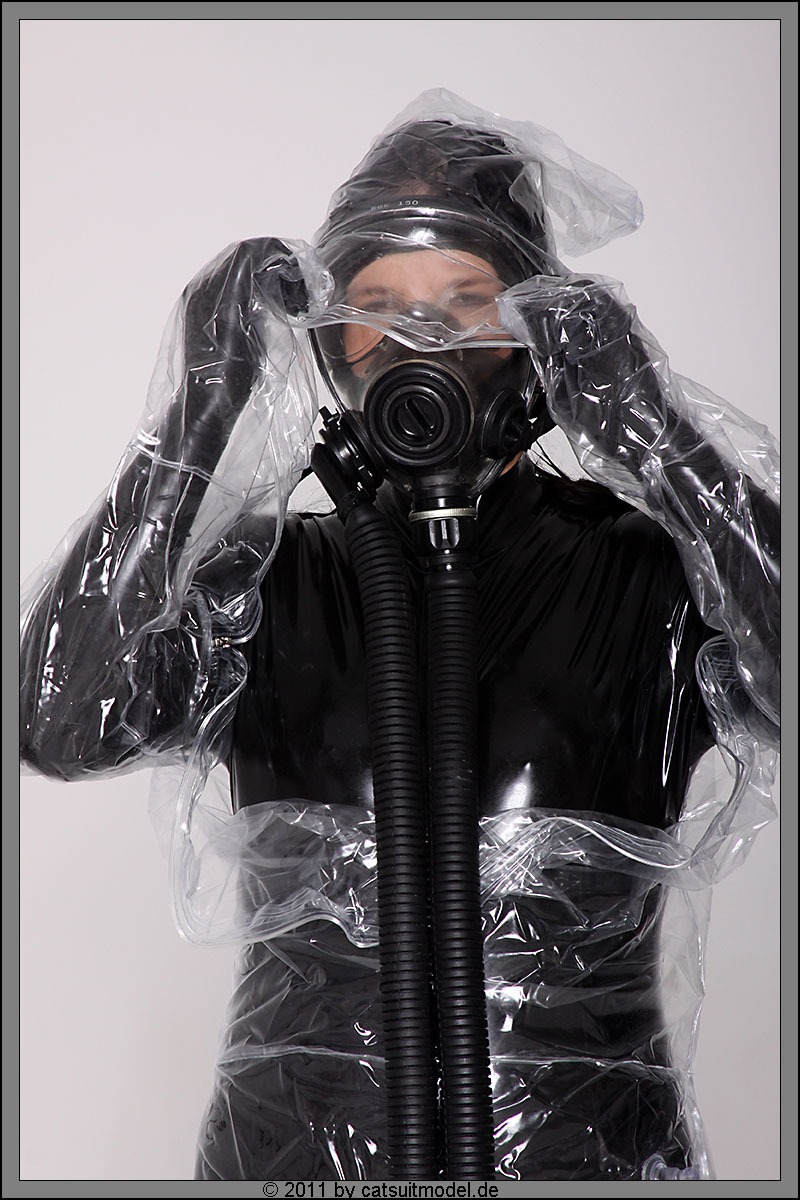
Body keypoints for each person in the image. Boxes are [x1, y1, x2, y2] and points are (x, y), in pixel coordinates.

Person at [19, 90, 780, 1182]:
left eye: (468, 302)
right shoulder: (267, 580)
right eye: (377, 306)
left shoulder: (648, 575)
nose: (421, 344)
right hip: (290, 1156)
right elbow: (59, 722)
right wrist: (198, 419)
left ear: (543, 338)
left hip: (583, 1161)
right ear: (332, 344)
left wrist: (661, 440)